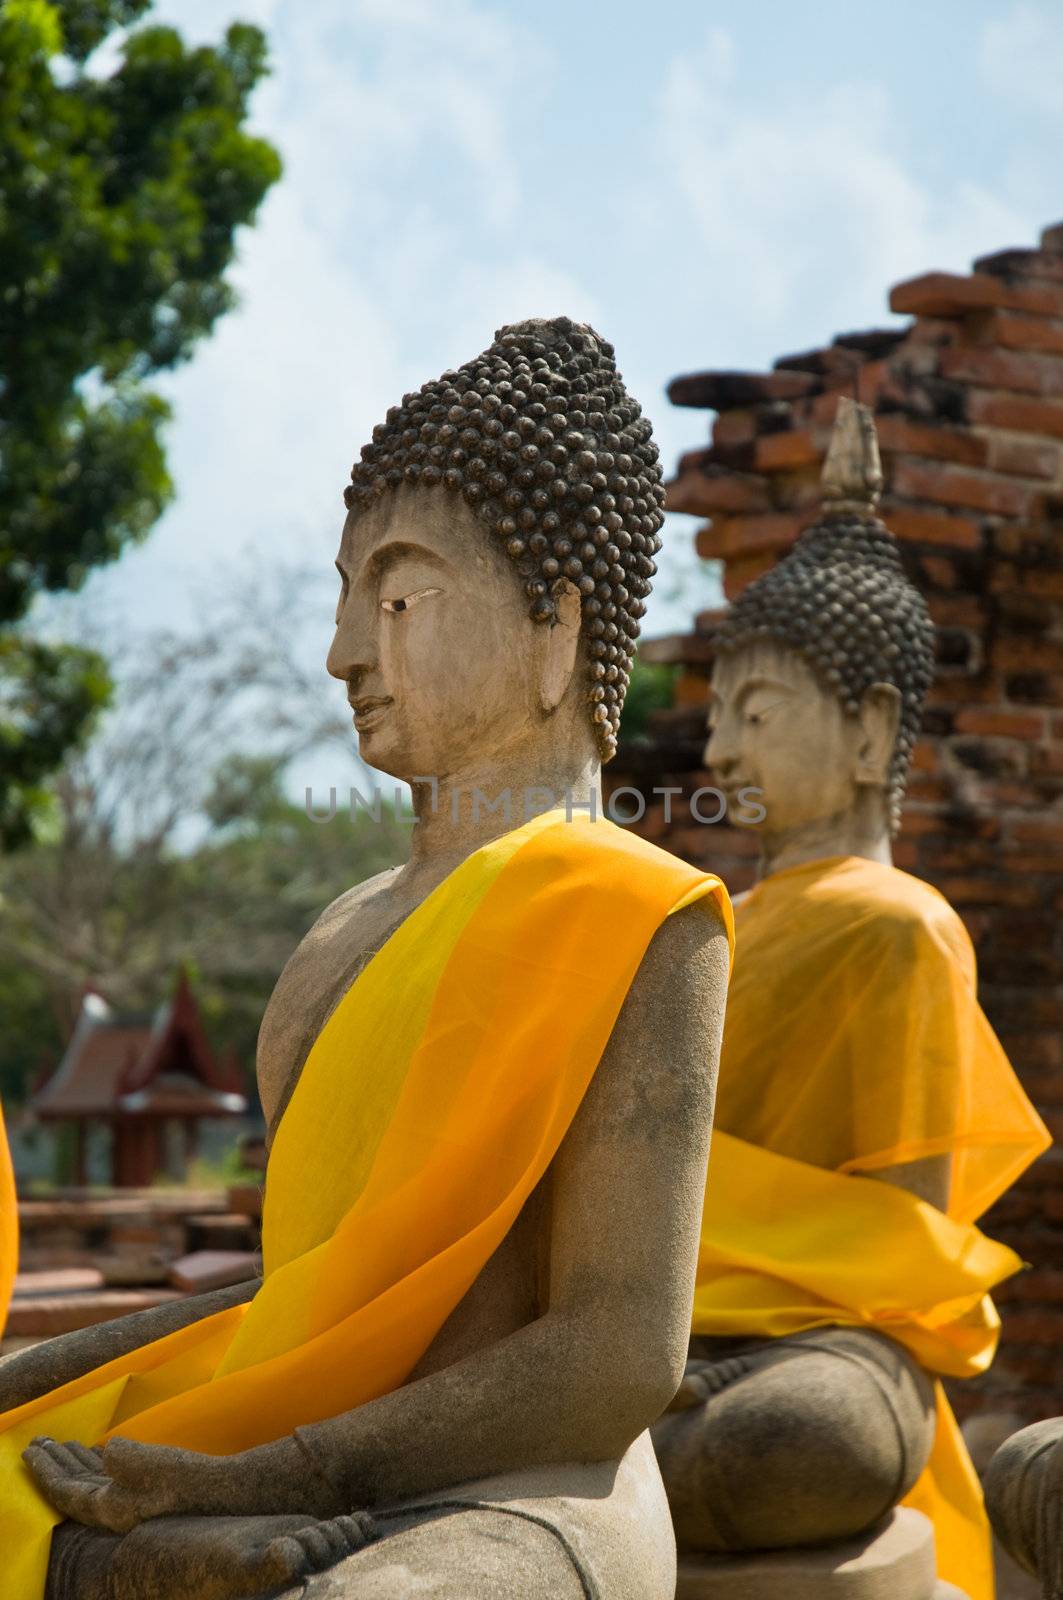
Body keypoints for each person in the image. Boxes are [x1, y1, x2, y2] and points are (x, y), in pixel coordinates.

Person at [0, 318, 732, 1600]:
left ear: (555, 625)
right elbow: (308, 1298)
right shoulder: (345, 927)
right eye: (344, 596)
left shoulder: (636, 909)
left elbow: (617, 1357)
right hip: (292, 1437)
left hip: (529, 1485)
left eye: (396, 597)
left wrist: (281, 1470)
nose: (344, 650)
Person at [651, 399, 1050, 1600]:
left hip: (823, 1347)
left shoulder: (901, 923)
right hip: (658, 1318)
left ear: (871, 729)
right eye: (718, 715)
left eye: (756, 714)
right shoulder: (705, 925)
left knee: (806, 1439)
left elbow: (900, 1254)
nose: (719, 753)